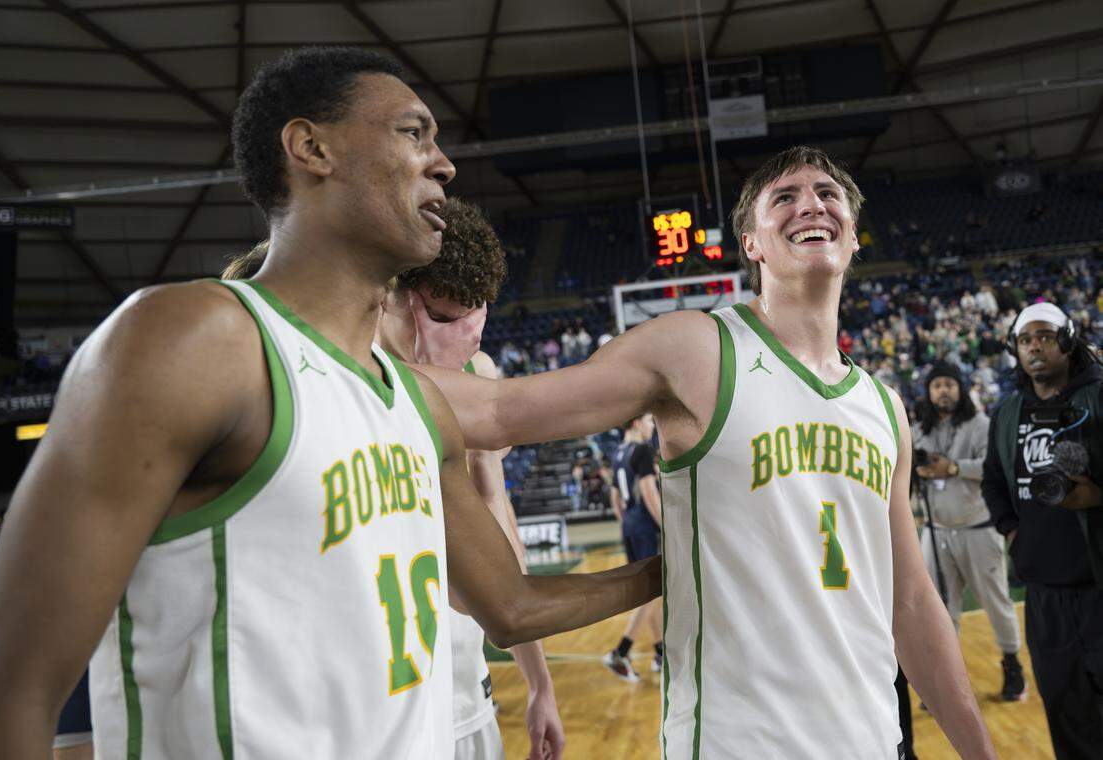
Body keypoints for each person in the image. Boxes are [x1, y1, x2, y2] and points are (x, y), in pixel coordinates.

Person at [0, 46, 660, 759]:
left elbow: (510, 609)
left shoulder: (418, 403)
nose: (444, 163)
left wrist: (665, 571)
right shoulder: (189, 341)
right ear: (310, 147)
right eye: (413, 133)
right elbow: (3, 685)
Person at [410, 146, 997, 759]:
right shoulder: (697, 348)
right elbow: (500, 412)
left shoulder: (885, 409)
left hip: (875, 740)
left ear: (853, 237)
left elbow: (910, 598)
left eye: (827, 193)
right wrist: (347, 350)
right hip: (737, 744)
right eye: (785, 197)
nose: (811, 204)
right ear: (752, 244)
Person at [224, 198, 567, 760]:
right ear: (389, 296)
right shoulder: (323, 380)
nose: (468, 337)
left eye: (474, 317)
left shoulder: (470, 379)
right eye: (446, 317)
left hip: (462, 684)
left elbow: (504, 558)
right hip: (356, 704)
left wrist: (540, 685)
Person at [982, 301, 1103, 760]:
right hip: (1044, 595)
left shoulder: (1098, 395)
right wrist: (1014, 531)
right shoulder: (1007, 413)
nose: (1034, 347)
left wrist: (1097, 498)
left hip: (1098, 586)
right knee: (1066, 714)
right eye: (1026, 340)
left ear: (1068, 342)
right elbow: (994, 483)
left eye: (1045, 337)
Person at [912, 362, 1025, 700]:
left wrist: (955, 467)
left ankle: (1012, 664)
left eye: (948, 384)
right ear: (929, 393)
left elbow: (996, 466)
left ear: (959, 389)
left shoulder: (981, 425)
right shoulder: (919, 429)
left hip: (978, 529)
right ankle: (946, 683)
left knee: (997, 602)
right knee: (940, 612)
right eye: (936, 386)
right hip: (935, 531)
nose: (942, 390)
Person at [602, 413, 663, 683]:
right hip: (645, 525)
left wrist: (626, 521)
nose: (653, 425)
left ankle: (661, 652)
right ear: (637, 423)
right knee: (652, 593)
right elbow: (649, 493)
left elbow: (614, 496)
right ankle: (621, 651)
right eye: (650, 420)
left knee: (651, 593)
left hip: (629, 524)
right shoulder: (642, 450)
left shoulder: (618, 453)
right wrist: (666, 525)